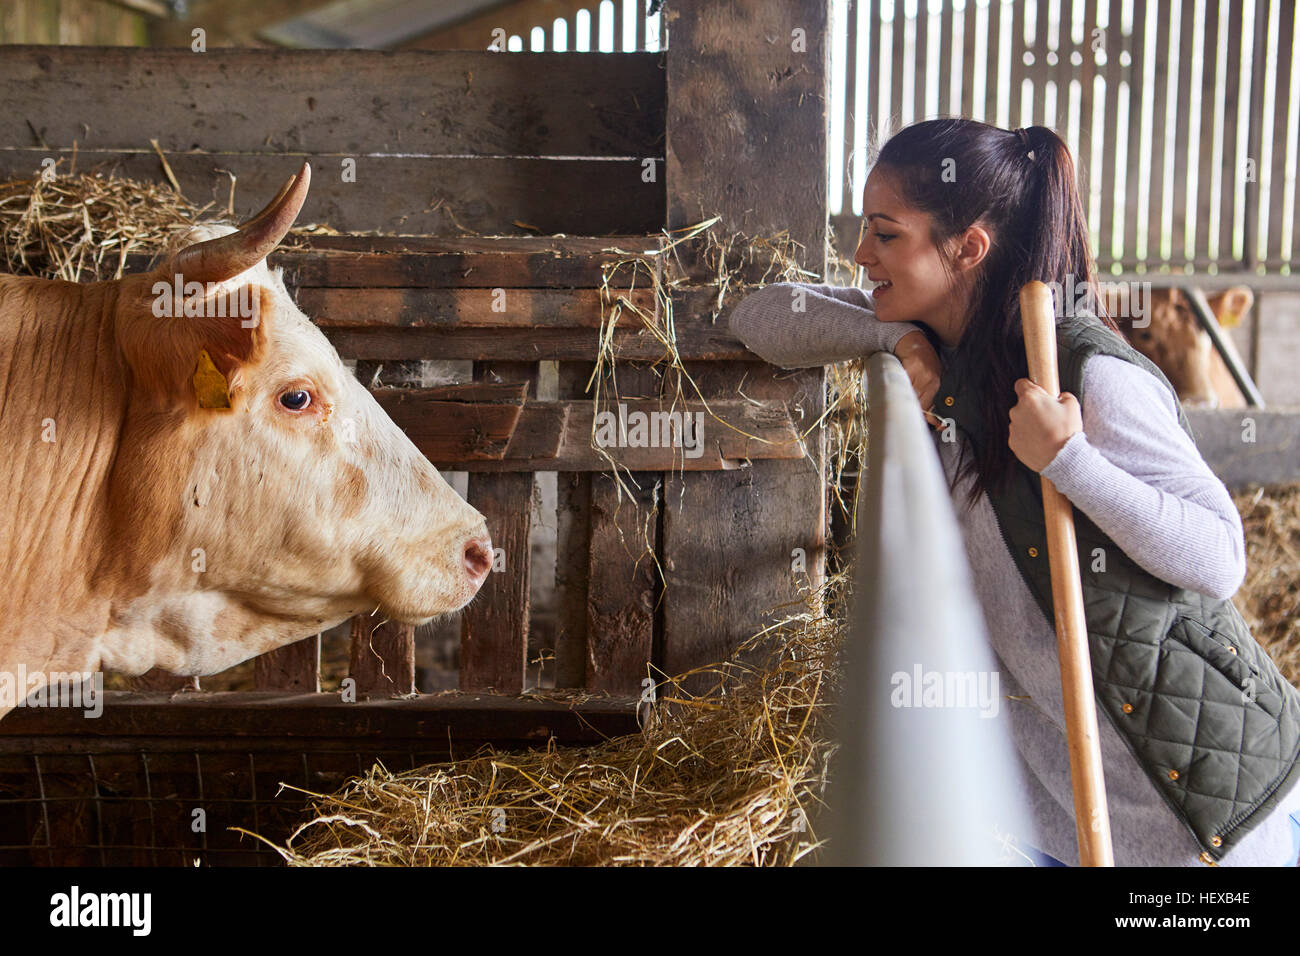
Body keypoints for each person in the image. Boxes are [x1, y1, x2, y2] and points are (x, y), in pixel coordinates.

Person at [730, 118, 1300, 866]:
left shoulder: (1087, 374)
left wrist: (1070, 460)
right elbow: (756, 314)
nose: (861, 253)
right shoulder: (943, 346)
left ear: (968, 248)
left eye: (886, 234)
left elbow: (1220, 555)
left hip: (1204, 809)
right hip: (1067, 808)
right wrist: (893, 340)